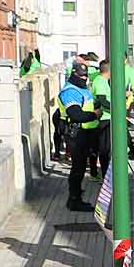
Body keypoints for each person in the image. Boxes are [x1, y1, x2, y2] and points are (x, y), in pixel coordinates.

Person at [56, 62, 99, 213]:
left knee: (80, 167)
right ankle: (74, 200)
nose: (84, 77)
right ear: (73, 74)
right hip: (74, 133)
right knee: (77, 168)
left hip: (84, 133)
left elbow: (88, 104)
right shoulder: (69, 91)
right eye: (81, 75)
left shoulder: (82, 88)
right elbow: (76, 114)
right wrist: (95, 114)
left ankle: (76, 196)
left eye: (86, 75)